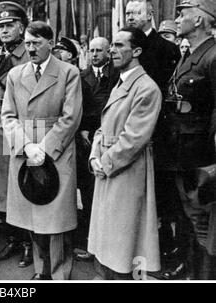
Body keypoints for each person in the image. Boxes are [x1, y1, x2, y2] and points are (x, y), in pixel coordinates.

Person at [2, 21, 82, 280]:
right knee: (33, 217)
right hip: (25, 151)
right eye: (28, 43)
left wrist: (44, 148)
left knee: (55, 220)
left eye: (37, 43)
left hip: (56, 152)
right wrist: (26, 146)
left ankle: (59, 272)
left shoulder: (69, 73)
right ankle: (41, 270)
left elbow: (71, 117)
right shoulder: (15, 75)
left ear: (50, 43)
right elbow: (8, 116)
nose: (32, 48)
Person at [88, 27, 162, 280]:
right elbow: (104, 125)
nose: (112, 50)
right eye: (113, 46)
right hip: (109, 167)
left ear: (137, 51)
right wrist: (94, 156)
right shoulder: (121, 81)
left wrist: (104, 162)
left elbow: (134, 139)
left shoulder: (146, 88)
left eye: (120, 45)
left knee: (125, 242)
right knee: (110, 240)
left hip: (127, 170)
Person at [158, 0, 216, 280]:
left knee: (201, 220)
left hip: (201, 156)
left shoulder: (212, 56)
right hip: (180, 152)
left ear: (200, 20)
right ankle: (192, 272)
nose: (177, 19)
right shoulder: (190, 55)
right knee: (186, 217)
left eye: (182, 15)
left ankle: (204, 275)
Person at [125, 0, 182, 270]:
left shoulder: (166, 49)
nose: (130, 17)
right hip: (130, 133)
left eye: (135, 12)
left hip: (158, 135)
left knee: (161, 196)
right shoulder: (122, 48)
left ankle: (165, 250)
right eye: (127, 13)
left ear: (150, 15)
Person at [0, 0, 33, 268]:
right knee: (1, 186)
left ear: (22, 27)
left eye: (10, 24)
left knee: (22, 183)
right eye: (1, 26)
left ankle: (28, 242)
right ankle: (12, 238)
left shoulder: (30, 55)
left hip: (21, 125)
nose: (5, 30)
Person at [75, 37, 119, 262]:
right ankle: (89, 242)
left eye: (99, 50)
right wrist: (82, 130)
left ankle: (109, 243)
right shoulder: (81, 76)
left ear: (108, 51)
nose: (94, 54)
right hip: (86, 138)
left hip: (110, 136)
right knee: (88, 190)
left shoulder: (117, 74)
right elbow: (76, 106)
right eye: (91, 50)